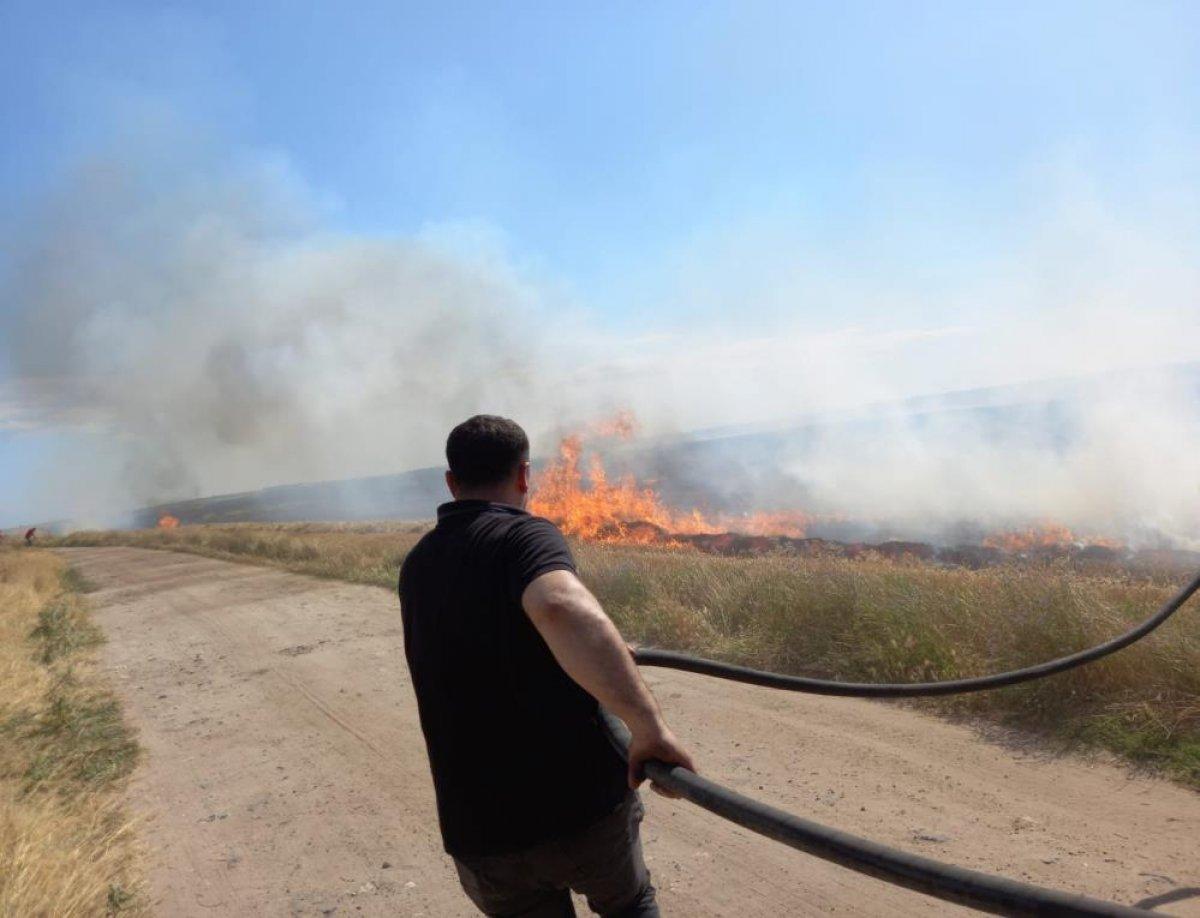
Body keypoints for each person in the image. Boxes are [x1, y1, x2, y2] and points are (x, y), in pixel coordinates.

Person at [399, 415, 695, 917]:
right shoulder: (524, 536)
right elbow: (559, 606)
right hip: (578, 807)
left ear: (450, 483)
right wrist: (648, 728)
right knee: (629, 906)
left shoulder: (417, 563)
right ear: (523, 475)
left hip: (480, 828)